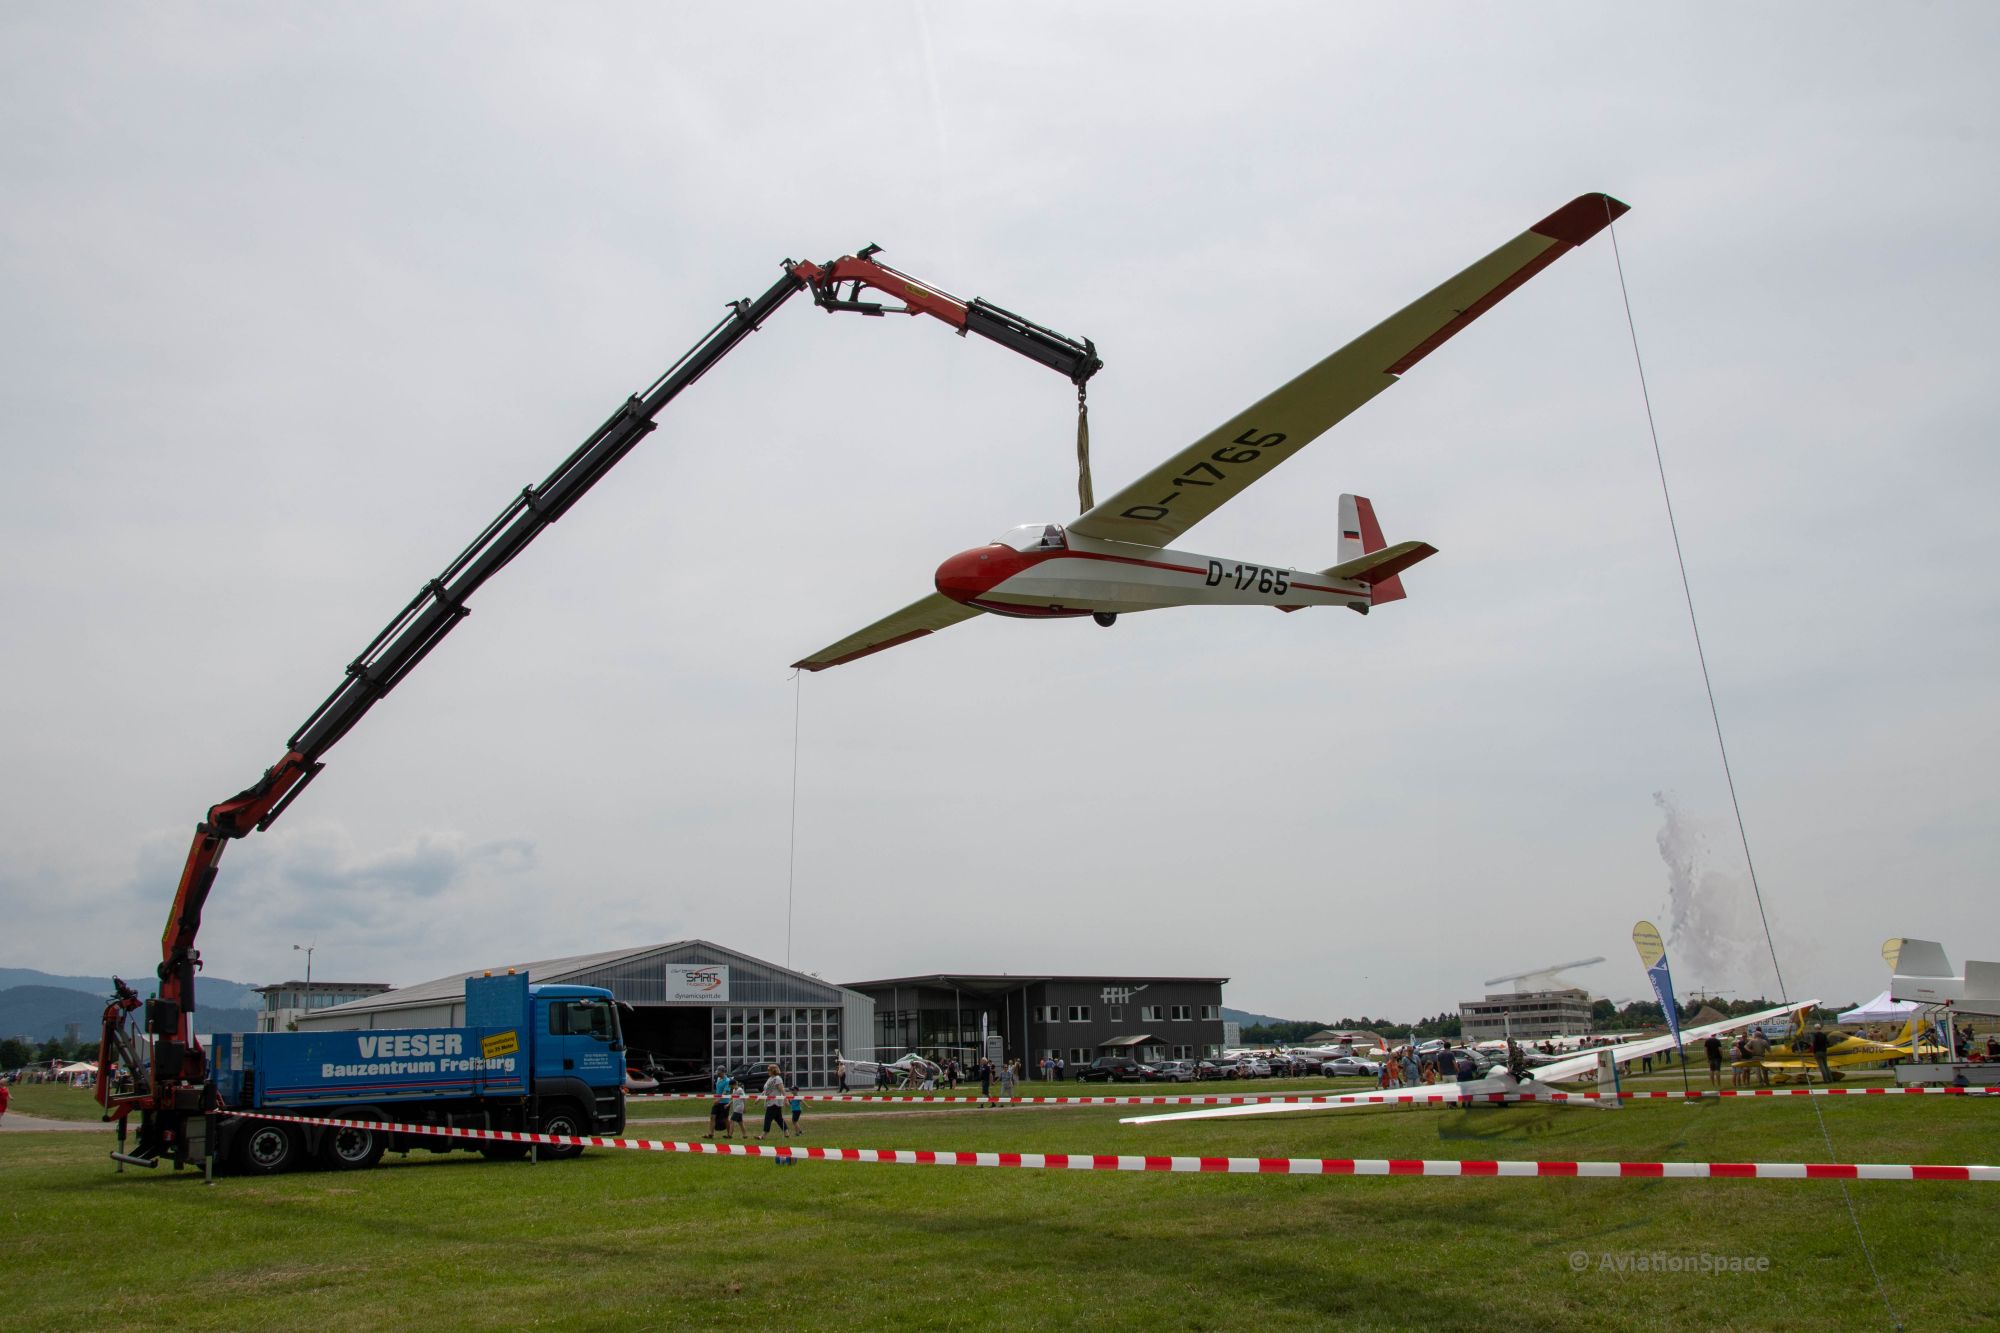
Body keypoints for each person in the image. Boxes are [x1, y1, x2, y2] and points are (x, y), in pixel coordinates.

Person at [757, 1064, 789, 1140]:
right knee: (778, 1118)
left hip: (775, 1102)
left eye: (769, 1070)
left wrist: (786, 1099)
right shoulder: (770, 1079)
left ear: (773, 1070)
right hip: (769, 1101)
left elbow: (782, 1090)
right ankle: (786, 1132)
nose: (768, 1071)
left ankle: (763, 1135)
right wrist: (759, 1097)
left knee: (768, 1118)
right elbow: (765, 1090)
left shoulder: (777, 1078)